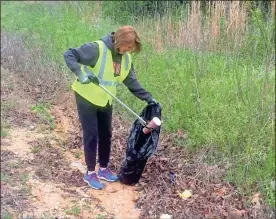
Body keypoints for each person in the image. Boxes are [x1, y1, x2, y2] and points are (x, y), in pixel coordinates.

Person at [63, 25, 158, 190]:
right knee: (91, 134)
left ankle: (103, 169)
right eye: (127, 47)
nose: (128, 50)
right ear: (119, 41)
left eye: (131, 48)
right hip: (86, 95)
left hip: (106, 98)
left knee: (106, 133)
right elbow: (69, 54)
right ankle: (90, 173)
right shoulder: (97, 48)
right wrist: (80, 73)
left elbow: (131, 82)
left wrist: (149, 98)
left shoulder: (126, 59)